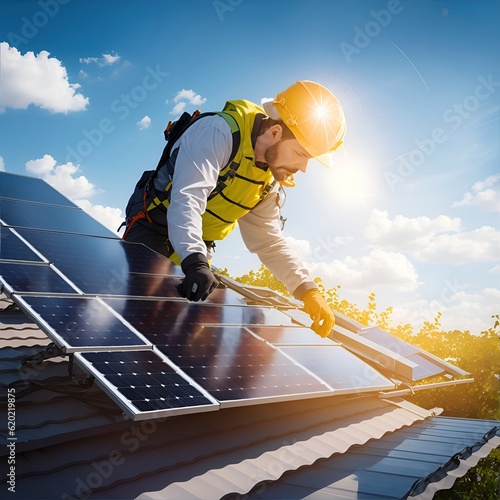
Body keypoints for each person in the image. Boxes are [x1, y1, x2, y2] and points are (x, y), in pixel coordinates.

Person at [122, 80, 346, 338]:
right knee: (136, 313)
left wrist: (307, 290)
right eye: (300, 153)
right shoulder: (218, 132)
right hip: (154, 226)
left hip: (198, 245)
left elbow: (268, 242)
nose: (304, 167)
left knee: (190, 330)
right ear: (275, 133)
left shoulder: (268, 180)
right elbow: (188, 198)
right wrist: (195, 261)